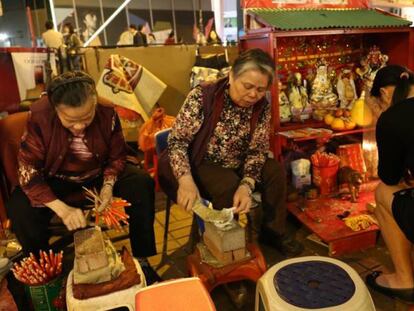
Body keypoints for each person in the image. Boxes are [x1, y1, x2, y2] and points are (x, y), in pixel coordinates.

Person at [6, 71, 161, 284]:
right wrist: (62, 209)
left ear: (95, 103)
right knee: (20, 208)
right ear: (55, 109)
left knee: (140, 183)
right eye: (70, 120)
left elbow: (117, 157)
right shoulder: (40, 117)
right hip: (56, 179)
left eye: (87, 117)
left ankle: (141, 260)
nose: (80, 126)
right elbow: (29, 172)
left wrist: (108, 186)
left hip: (96, 173)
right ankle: (45, 273)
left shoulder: (107, 112)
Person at [159, 49, 303, 256]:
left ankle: (272, 233)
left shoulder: (261, 107)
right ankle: (224, 250)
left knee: (275, 172)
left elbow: (257, 151)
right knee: (227, 186)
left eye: (261, 89)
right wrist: (185, 180)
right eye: (248, 86)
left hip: (237, 162)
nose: (253, 95)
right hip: (200, 161)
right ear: (232, 76)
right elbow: (177, 142)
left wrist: (247, 184)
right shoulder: (203, 97)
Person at [365, 65, 414, 302]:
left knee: (383, 192)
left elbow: (390, 178)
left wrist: (382, 120)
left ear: (384, 94)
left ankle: (404, 279)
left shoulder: (392, 117)